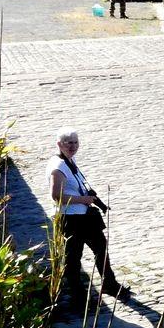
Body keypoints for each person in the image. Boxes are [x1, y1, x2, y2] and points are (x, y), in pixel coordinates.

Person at [47, 128, 129, 304]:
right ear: (59, 144)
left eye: (75, 142)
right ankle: (78, 297)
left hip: (84, 216)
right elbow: (57, 196)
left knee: (101, 247)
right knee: (74, 258)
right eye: (68, 142)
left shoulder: (68, 160)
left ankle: (109, 283)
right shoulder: (58, 167)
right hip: (70, 218)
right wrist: (84, 199)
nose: (73, 146)